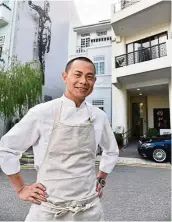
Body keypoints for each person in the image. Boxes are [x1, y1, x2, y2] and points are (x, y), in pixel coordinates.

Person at [0, 57, 119, 221]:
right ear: (65, 77)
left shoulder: (99, 116)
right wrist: (21, 188)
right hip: (48, 211)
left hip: (89, 210)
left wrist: (101, 179)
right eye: (77, 74)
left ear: (94, 81)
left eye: (89, 77)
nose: (83, 81)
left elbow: (111, 151)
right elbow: (7, 149)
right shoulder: (42, 112)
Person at [28, 0, 52, 84]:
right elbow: (32, 5)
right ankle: (40, 74)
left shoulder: (49, 20)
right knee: (39, 57)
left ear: (49, 8)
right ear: (45, 6)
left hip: (44, 40)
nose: (47, 8)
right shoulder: (40, 11)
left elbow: (49, 33)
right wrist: (30, 3)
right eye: (46, 5)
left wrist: (49, 45)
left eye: (48, 6)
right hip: (39, 37)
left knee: (42, 57)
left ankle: (42, 75)